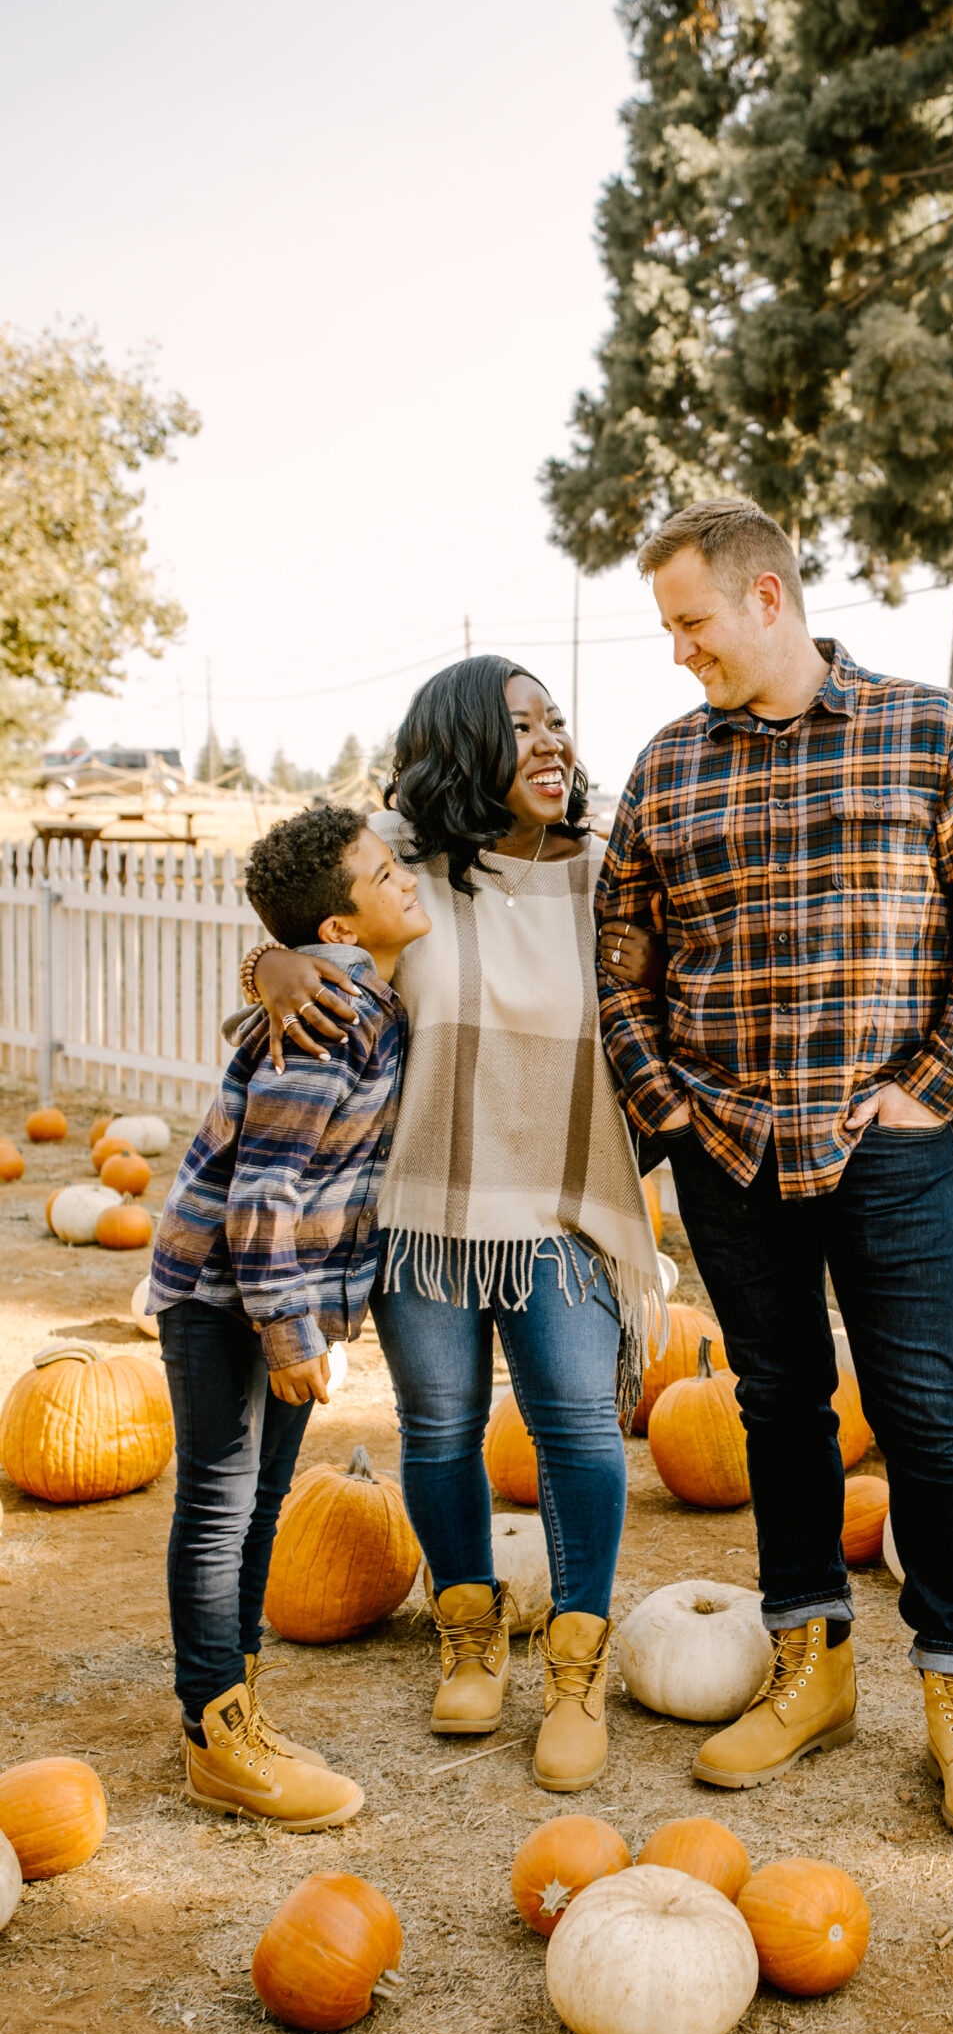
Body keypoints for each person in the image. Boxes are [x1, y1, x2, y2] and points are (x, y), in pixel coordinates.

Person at [595, 497, 953, 1838]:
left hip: (884, 1145)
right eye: (668, 629)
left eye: (692, 622)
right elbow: (624, 956)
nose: (680, 651)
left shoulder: (927, 730)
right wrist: (665, 1108)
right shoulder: (669, 767)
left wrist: (935, 1086)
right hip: (728, 1148)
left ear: (768, 599)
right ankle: (811, 1669)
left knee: (922, 1414)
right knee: (777, 1407)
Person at [242, 659, 662, 1791]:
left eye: (556, 723)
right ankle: (469, 1631)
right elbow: (297, 910)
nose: (549, 743)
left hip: (564, 1201)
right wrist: (272, 960)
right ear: (461, 746)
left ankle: (574, 1666)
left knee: (577, 1424)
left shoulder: (606, 873)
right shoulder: (403, 860)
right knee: (439, 1424)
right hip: (421, 1203)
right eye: (518, 725)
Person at [149, 804, 428, 1827]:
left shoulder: (353, 991)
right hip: (230, 1294)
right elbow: (263, 1189)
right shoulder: (331, 1013)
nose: (405, 878)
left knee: (262, 1503)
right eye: (383, 871)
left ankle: (235, 1709)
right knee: (222, 1505)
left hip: (275, 1293)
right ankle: (214, 1737)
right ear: (342, 929)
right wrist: (288, 1329)